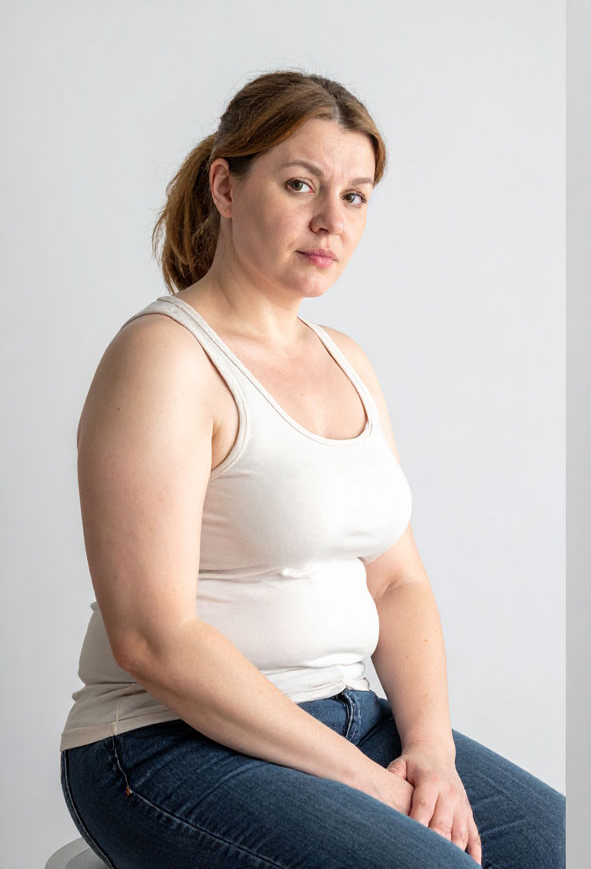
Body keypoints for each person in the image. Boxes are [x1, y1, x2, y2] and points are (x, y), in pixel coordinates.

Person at [59, 71, 564, 869]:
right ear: (226, 185)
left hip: (352, 715)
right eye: (301, 185)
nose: (332, 220)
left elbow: (397, 582)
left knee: (552, 846)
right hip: (162, 745)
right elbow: (152, 639)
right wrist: (369, 786)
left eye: (356, 196)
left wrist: (430, 752)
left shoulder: (347, 360)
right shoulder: (165, 358)